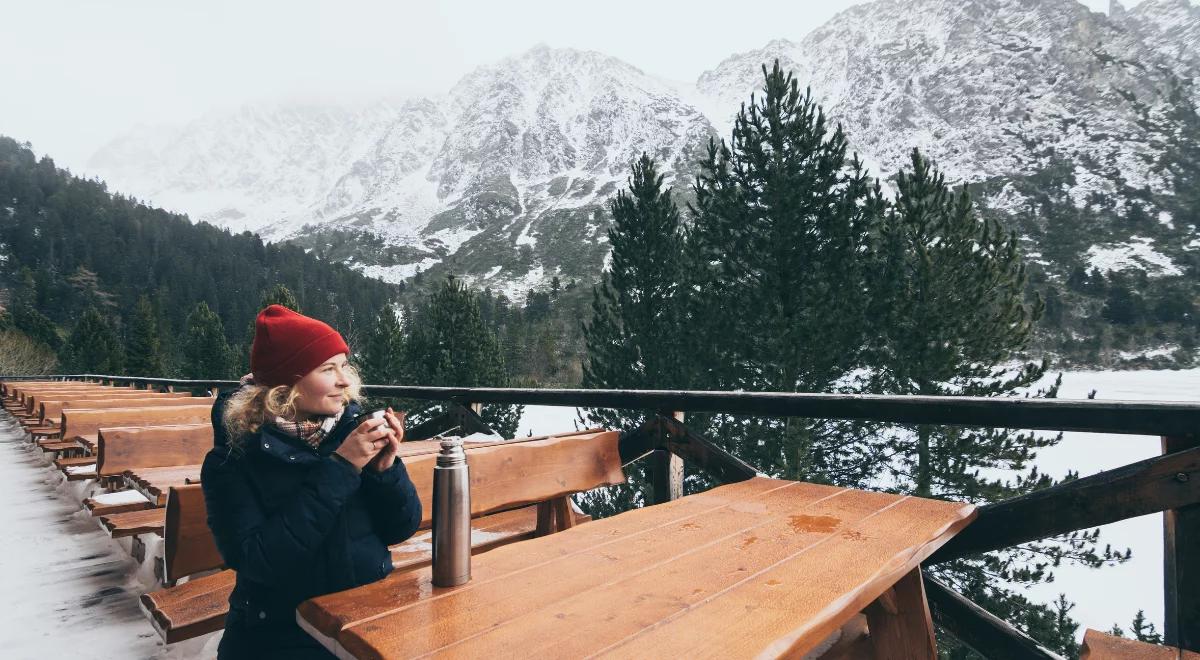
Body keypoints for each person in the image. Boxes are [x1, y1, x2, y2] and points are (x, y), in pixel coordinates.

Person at [201, 304, 421, 659]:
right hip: (281, 635)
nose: (345, 380)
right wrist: (343, 467)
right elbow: (259, 561)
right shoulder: (232, 460)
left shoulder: (349, 431)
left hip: (367, 618)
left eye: (344, 365)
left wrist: (384, 471)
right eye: (327, 369)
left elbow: (401, 527)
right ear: (285, 384)